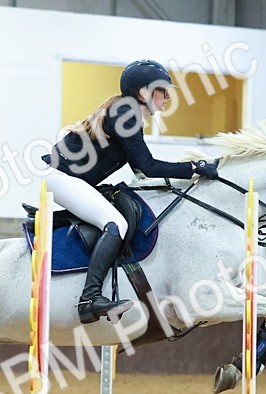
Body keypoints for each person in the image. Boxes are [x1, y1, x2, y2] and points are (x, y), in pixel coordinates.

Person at [44, 59, 219, 324]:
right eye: (162, 90)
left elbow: (139, 170)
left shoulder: (125, 112)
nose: (168, 97)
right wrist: (195, 166)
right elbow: (146, 166)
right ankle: (89, 298)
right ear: (143, 92)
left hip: (68, 179)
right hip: (62, 178)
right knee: (115, 224)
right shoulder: (126, 113)